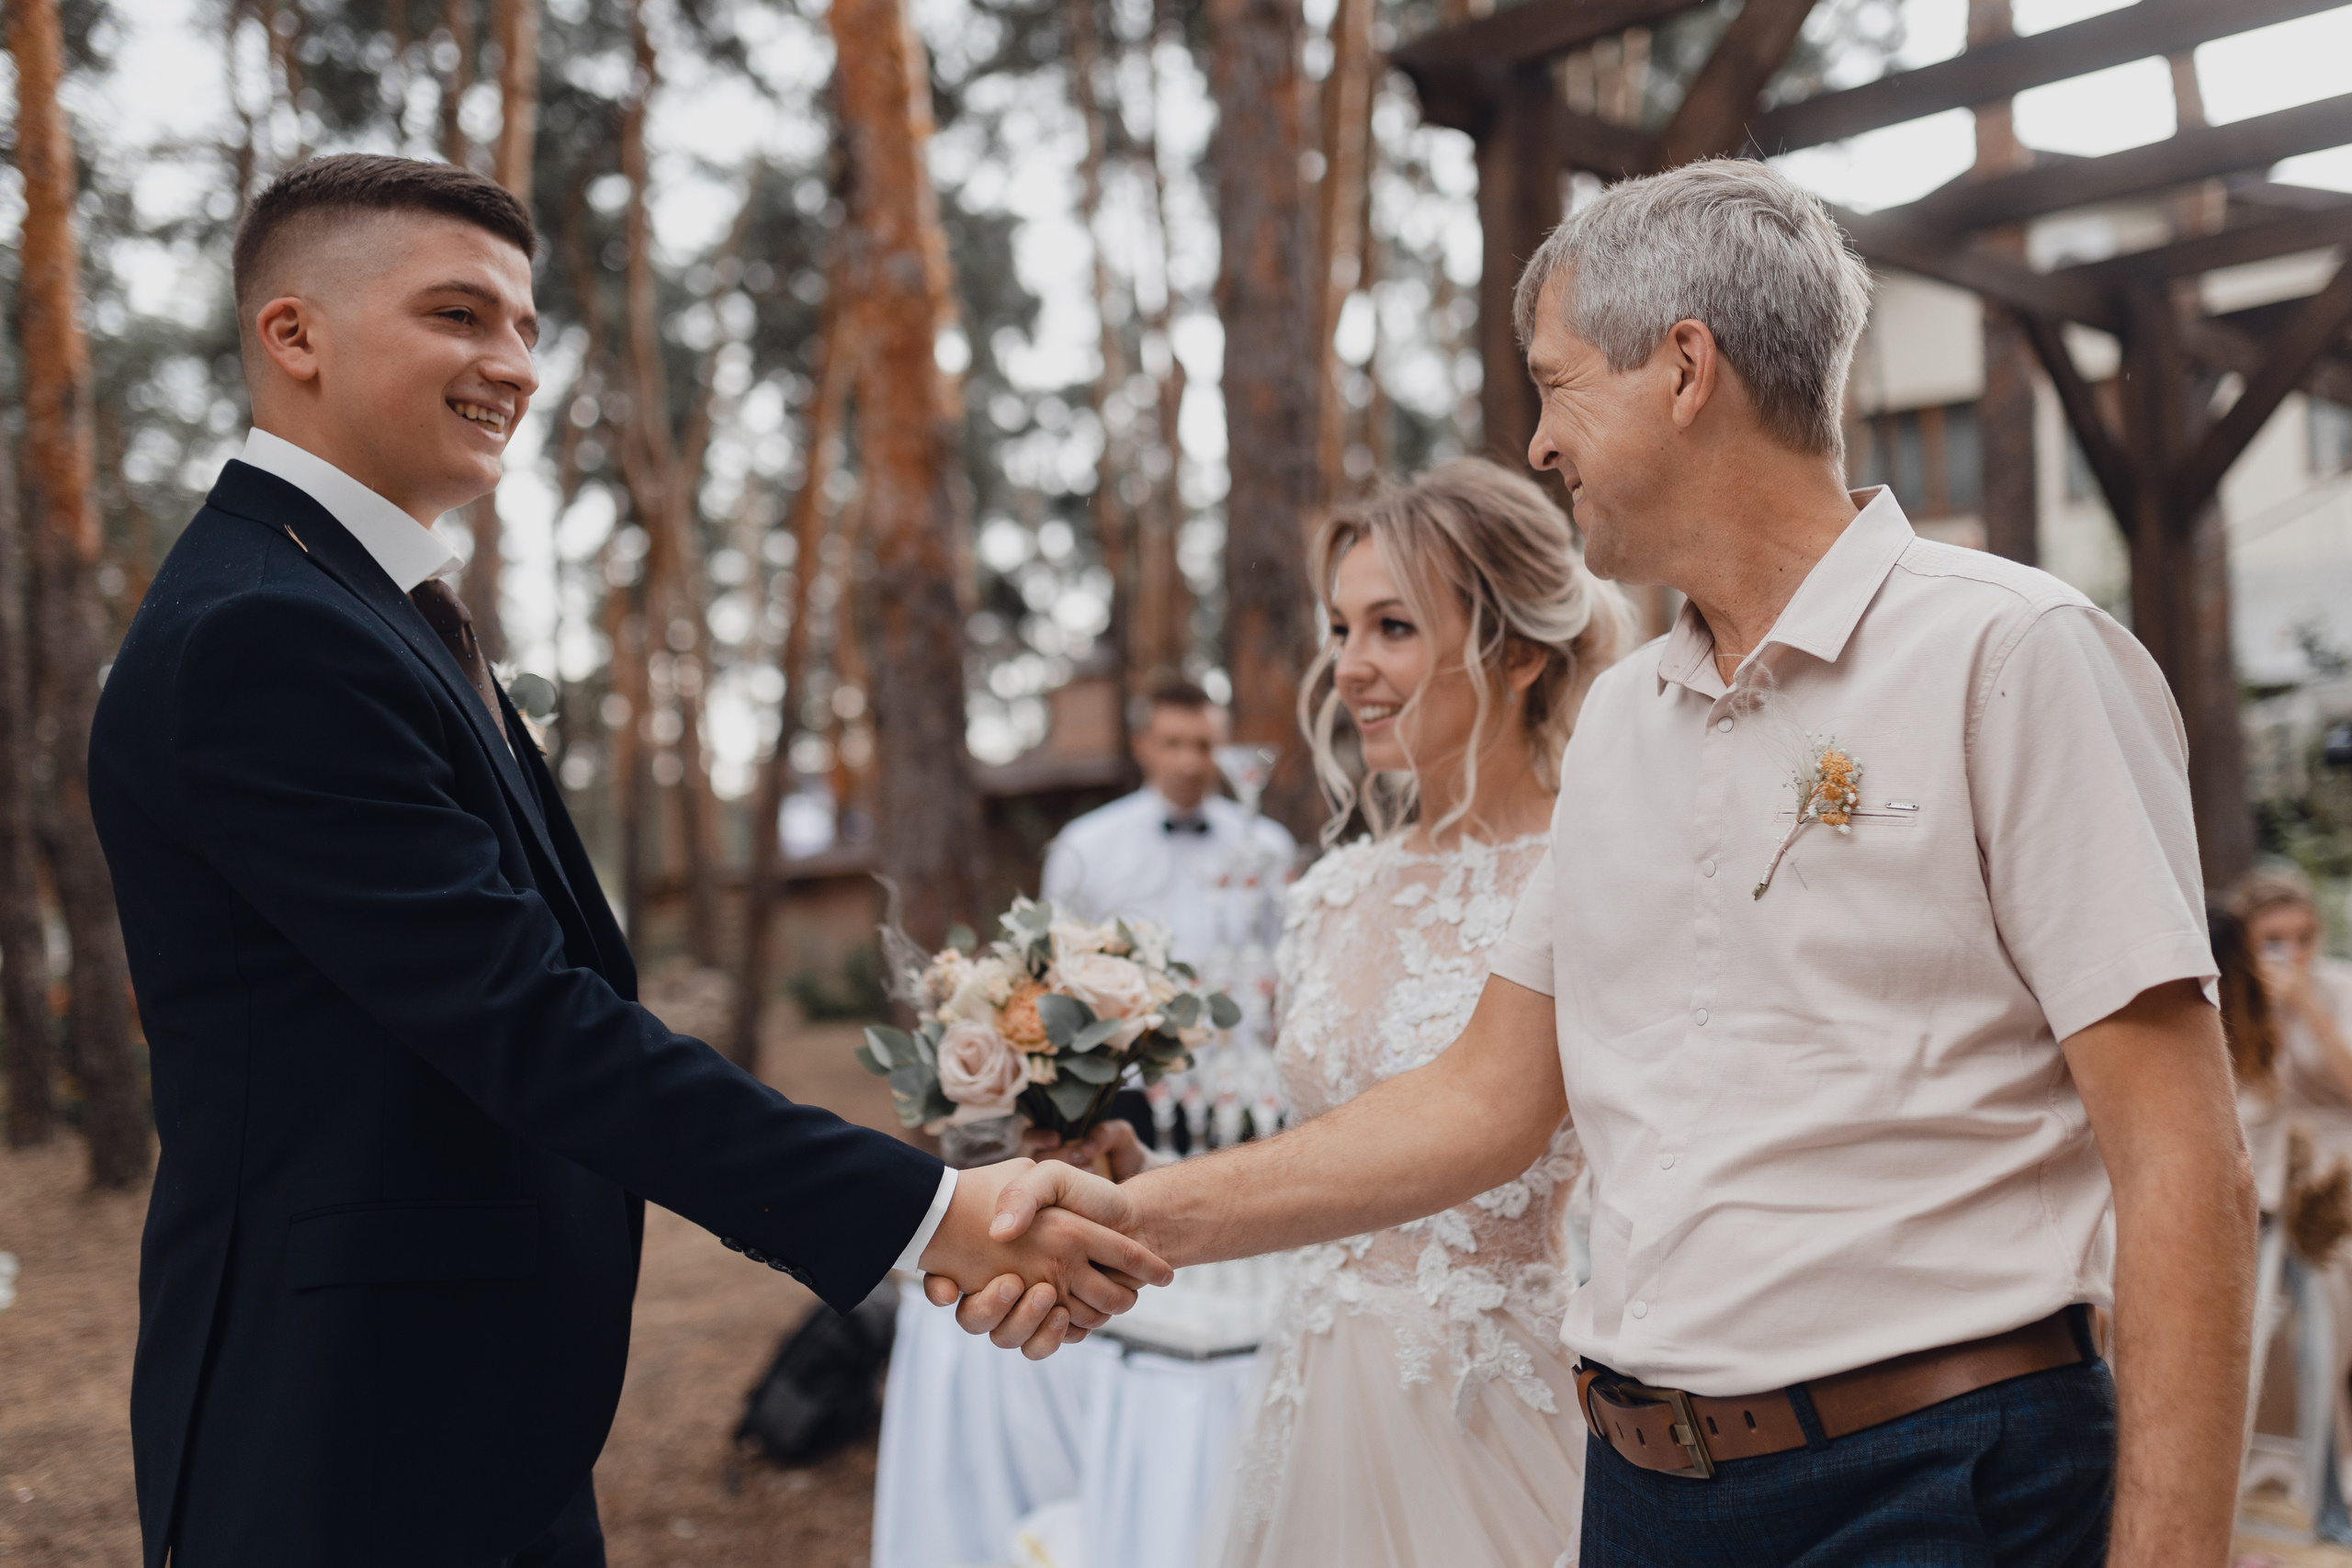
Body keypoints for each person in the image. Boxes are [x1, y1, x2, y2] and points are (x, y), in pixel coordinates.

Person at [948, 159, 2254, 1566]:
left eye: (1560, 384)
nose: (1540, 438)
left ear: (1686, 367)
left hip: (1938, 1481)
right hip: (1639, 1494)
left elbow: (2182, 1158)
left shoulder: (2014, 654)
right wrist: (1132, 1219)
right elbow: (1483, 1099)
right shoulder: (1626, 720)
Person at [85, 153, 1163, 1568]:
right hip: (349, 1424)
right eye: (460, 316)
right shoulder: (266, 634)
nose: (515, 365)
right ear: (294, 336)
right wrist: (931, 1214)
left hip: (470, 1396)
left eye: (527, 326)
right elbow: (530, 1021)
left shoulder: (359, 603)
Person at [1202, 457, 1629, 1567]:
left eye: (1391, 627)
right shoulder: (1329, 892)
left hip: (1489, 1404)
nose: (1349, 669)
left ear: (1520, 650)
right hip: (1312, 1386)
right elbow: (1314, 1136)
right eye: (1339, 629)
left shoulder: (1592, 872)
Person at [2239, 865, 2352, 1539]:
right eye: (2274, 939)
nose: (2292, 952)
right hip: (2275, 1185)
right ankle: (2307, 1488)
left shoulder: (2337, 985)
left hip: (2340, 1181)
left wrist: (2308, 1005)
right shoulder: (2238, 1001)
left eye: (2302, 936)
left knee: (2342, 1338)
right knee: (2296, 1345)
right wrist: (2269, 1015)